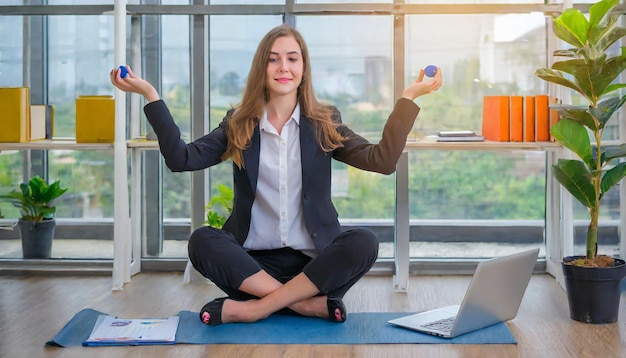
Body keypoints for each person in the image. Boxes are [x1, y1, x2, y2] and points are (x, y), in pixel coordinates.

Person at [110, 24, 443, 326]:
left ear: (303, 69)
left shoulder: (324, 122)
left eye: (292, 59)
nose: (283, 67)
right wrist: (150, 95)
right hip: (252, 269)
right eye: (273, 60)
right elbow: (181, 158)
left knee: (364, 242)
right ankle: (304, 306)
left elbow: (381, 160)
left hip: (312, 268)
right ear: (262, 69)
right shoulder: (238, 122)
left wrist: (408, 98)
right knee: (202, 241)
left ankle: (256, 309)